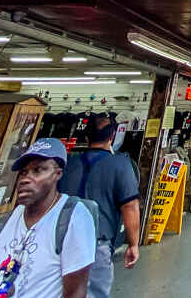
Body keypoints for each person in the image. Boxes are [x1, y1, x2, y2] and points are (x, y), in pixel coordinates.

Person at [0, 138, 96, 298]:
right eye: (23, 172)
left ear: (57, 174)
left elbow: (76, 292)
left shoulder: (73, 217)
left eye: (38, 170)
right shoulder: (5, 222)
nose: (25, 179)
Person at [58, 116, 140, 298]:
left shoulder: (68, 164)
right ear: (112, 137)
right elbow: (130, 206)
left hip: (60, 241)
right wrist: (133, 244)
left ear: (86, 139)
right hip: (97, 242)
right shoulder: (121, 164)